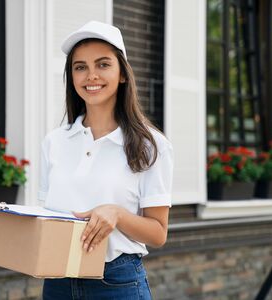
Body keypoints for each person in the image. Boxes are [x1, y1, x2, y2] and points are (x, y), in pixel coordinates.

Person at [38, 21, 174, 299]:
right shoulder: (55, 141)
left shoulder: (150, 145)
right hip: (57, 282)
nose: (91, 76)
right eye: (80, 67)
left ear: (122, 73)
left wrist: (118, 214)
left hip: (117, 283)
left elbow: (158, 233)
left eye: (102, 65)